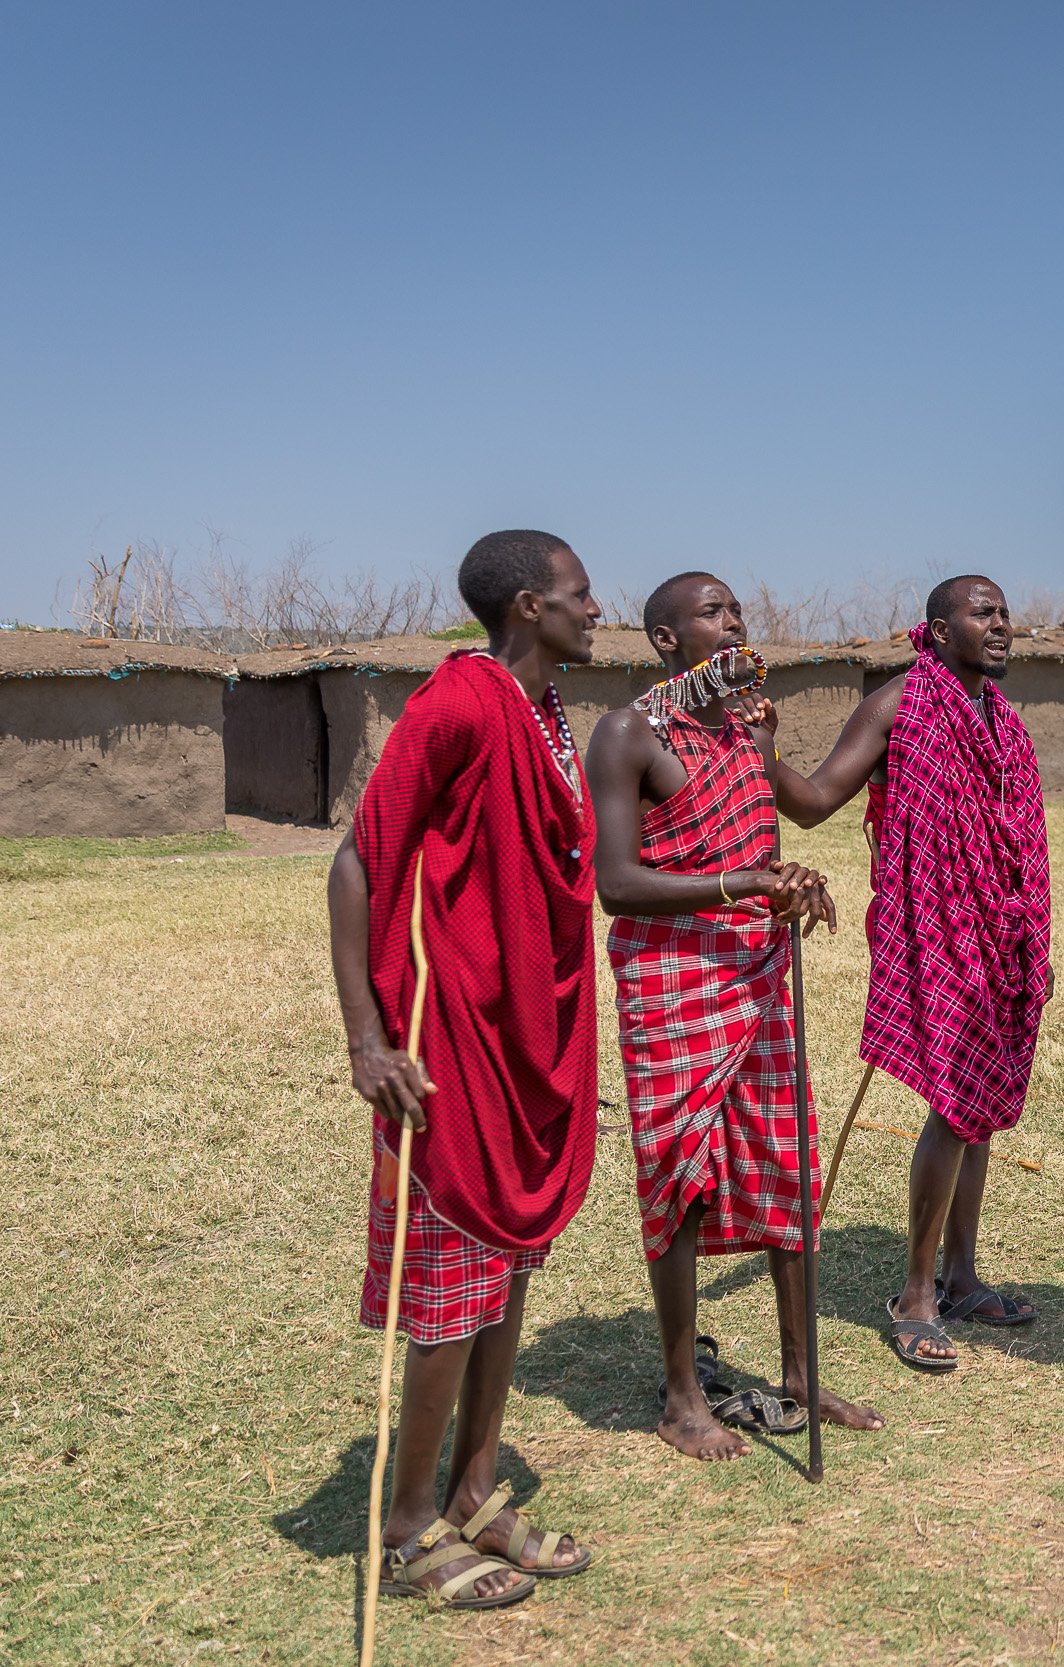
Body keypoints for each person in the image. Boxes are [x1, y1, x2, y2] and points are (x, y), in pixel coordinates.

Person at [329, 530, 603, 1609]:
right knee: (450, 1288)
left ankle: (476, 1489)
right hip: (451, 1044)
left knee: (509, 1266)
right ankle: (405, 1530)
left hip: (528, 1031)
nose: (596, 607)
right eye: (581, 593)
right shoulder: (457, 702)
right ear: (530, 604)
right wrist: (365, 1033)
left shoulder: (547, 716)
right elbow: (361, 854)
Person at [584, 572, 883, 1461]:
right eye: (712, 613)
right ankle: (682, 1397)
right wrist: (747, 882)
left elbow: (781, 825)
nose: (735, 622)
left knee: (784, 1159)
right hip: (671, 973)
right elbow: (616, 883)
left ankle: (800, 1370)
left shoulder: (748, 729)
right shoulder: (628, 735)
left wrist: (791, 881)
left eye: (738, 609)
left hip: (757, 967)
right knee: (678, 1170)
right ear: (667, 641)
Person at [749, 575, 1051, 1373]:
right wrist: (767, 755)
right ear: (939, 630)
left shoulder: (1003, 718)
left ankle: (960, 1276)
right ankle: (916, 1295)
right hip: (936, 926)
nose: (1002, 623)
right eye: (982, 612)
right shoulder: (899, 705)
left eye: (1004, 611)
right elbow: (813, 802)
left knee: (977, 1105)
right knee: (954, 1103)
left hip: (1001, 929)